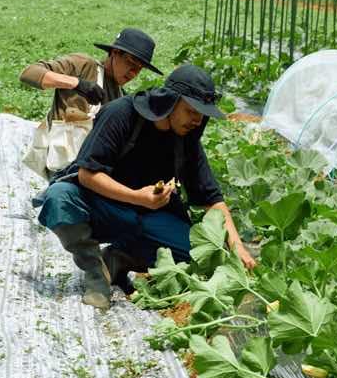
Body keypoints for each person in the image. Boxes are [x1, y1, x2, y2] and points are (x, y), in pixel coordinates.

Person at [36, 63, 256, 310]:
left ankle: (119, 259)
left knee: (198, 253)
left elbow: (211, 198)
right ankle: (95, 271)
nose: (197, 120)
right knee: (60, 197)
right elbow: (88, 174)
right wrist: (137, 197)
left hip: (147, 217)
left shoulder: (186, 136)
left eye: (203, 114)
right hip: (102, 207)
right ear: (171, 101)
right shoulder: (121, 113)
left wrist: (237, 247)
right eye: (192, 111)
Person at [19, 28, 161, 174]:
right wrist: (77, 83)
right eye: (131, 63)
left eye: (140, 69)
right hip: (60, 168)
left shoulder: (121, 98)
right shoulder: (83, 66)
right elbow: (29, 73)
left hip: (91, 172)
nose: (133, 73)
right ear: (115, 53)